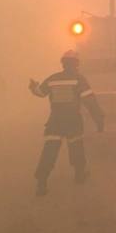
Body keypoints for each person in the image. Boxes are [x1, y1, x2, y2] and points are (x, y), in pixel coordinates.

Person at [28, 50, 104, 196]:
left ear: (63, 63)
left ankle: (41, 182)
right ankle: (79, 175)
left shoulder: (53, 79)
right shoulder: (78, 79)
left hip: (55, 120)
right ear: (76, 64)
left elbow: (40, 93)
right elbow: (90, 102)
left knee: (50, 150)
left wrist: (33, 87)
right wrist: (99, 119)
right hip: (72, 121)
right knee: (76, 147)